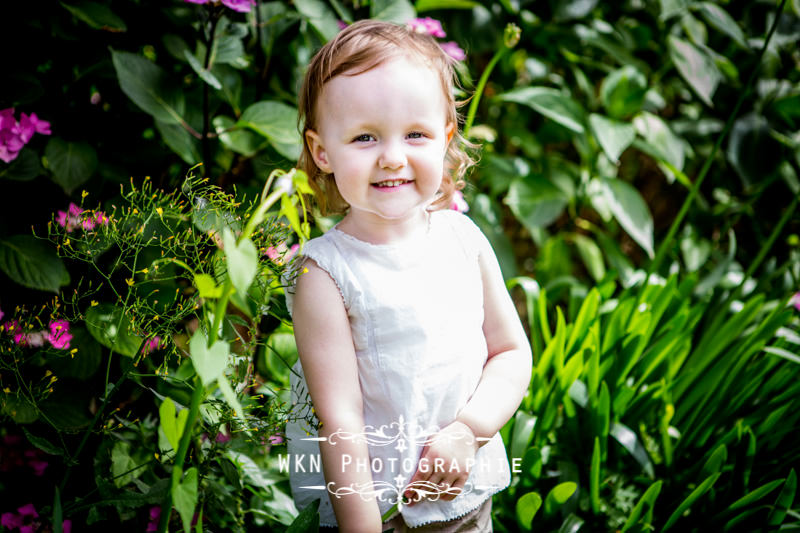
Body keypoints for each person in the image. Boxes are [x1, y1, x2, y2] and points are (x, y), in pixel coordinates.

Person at [284, 19, 532, 533]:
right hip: (380, 513)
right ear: (322, 151)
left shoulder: (463, 241)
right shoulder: (324, 272)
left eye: (415, 134)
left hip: (468, 502)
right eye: (365, 136)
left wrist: (470, 431)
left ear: (445, 137)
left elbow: (510, 353)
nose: (392, 157)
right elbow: (341, 423)